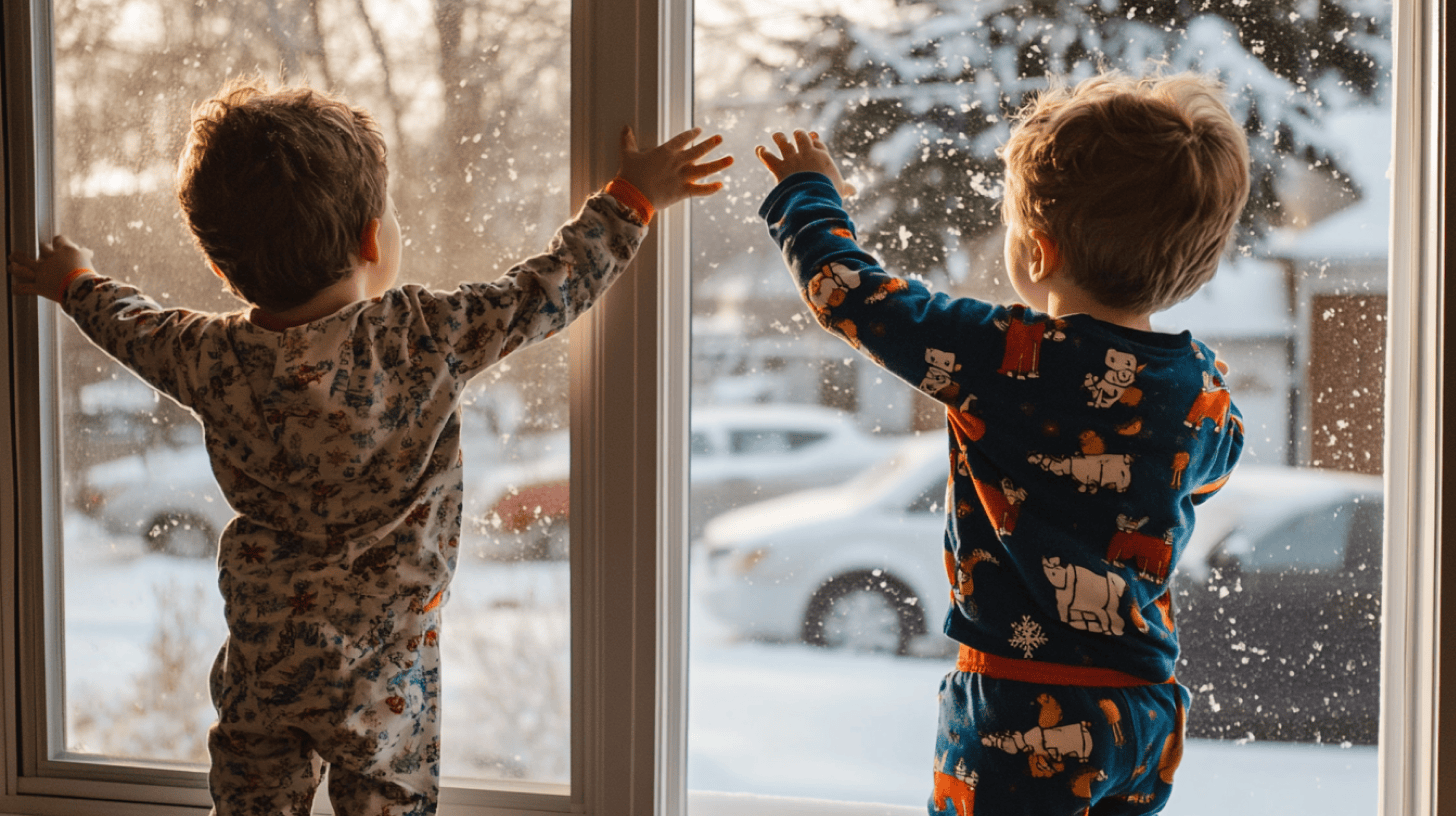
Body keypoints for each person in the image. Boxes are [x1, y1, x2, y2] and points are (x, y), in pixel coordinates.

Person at [9, 77, 730, 816]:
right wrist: (630, 200)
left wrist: (74, 282)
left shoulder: (210, 354)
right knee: (388, 793)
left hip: (267, 652)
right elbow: (547, 290)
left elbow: (131, 326)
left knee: (253, 795)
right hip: (385, 664)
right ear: (371, 241)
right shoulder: (423, 335)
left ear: (223, 269)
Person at [755, 70, 1248, 815]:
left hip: (1028, 707)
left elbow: (849, 294)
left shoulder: (1004, 355)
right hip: (1146, 709)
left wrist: (808, 192)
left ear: (1040, 253)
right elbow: (1204, 474)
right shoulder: (1201, 385)